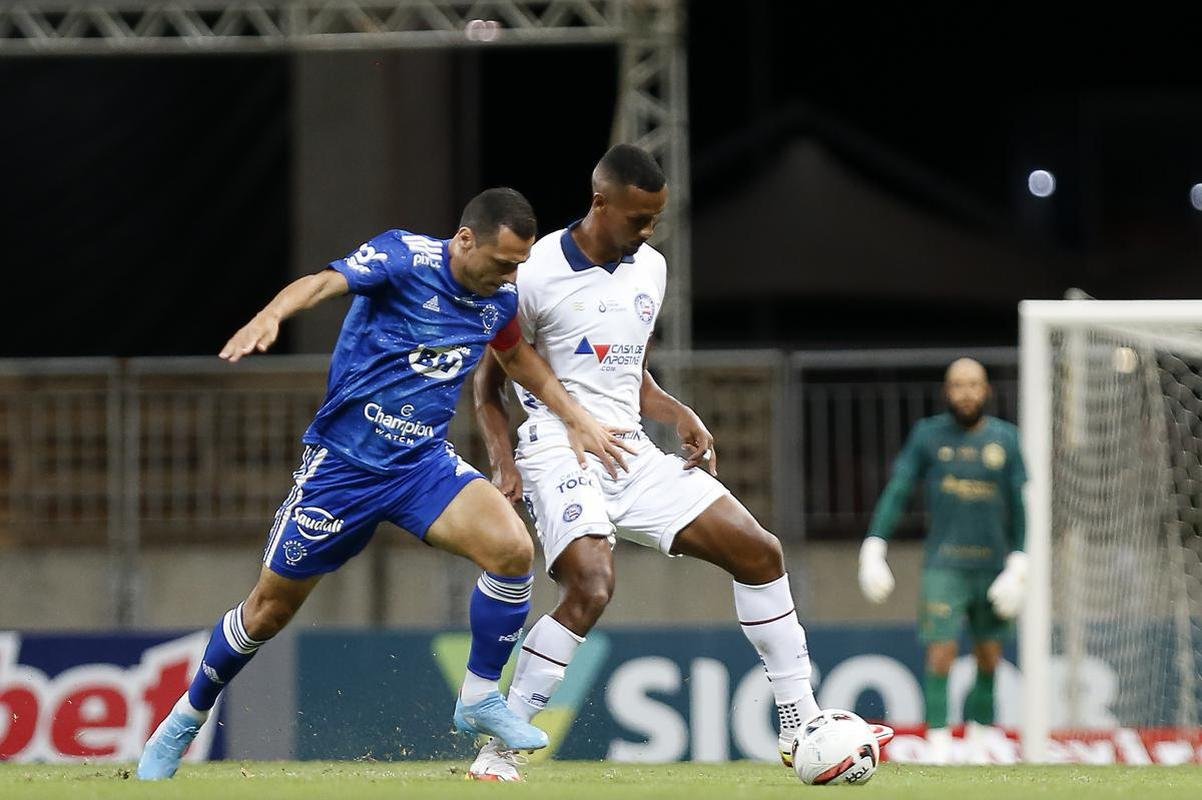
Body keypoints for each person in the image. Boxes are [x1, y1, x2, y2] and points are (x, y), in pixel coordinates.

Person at [137, 187, 634, 780]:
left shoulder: (496, 302)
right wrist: (271, 313)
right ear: (465, 240)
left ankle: (479, 698)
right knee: (268, 610)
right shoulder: (402, 258)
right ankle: (186, 718)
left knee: (511, 550)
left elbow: (519, 361)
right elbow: (322, 282)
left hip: (421, 466)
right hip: (343, 469)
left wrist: (579, 420)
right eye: (503, 262)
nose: (511, 275)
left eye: (520, 265)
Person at [469, 145, 890, 781]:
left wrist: (678, 412)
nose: (646, 233)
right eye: (637, 219)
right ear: (600, 201)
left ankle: (798, 718)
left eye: (655, 221)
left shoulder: (652, 270)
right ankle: (497, 754)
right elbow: (488, 386)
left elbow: (624, 370)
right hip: (558, 448)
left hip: (632, 450)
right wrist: (506, 465)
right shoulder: (536, 271)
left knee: (760, 552)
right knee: (590, 586)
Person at [858, 357, 1028, 764]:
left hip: (993, 566)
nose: (966, 392)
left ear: (986, 391)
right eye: (957, 385)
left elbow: (1022, 505)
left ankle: (979, 737)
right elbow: (899, 489)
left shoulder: (1006, 439)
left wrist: (1020, 563)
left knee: (990, 656)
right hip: (945, 565)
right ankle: (937, 743)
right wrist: (874, 544)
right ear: (946, 391)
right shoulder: (928, 436)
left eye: (974, 384)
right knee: (941, 651)